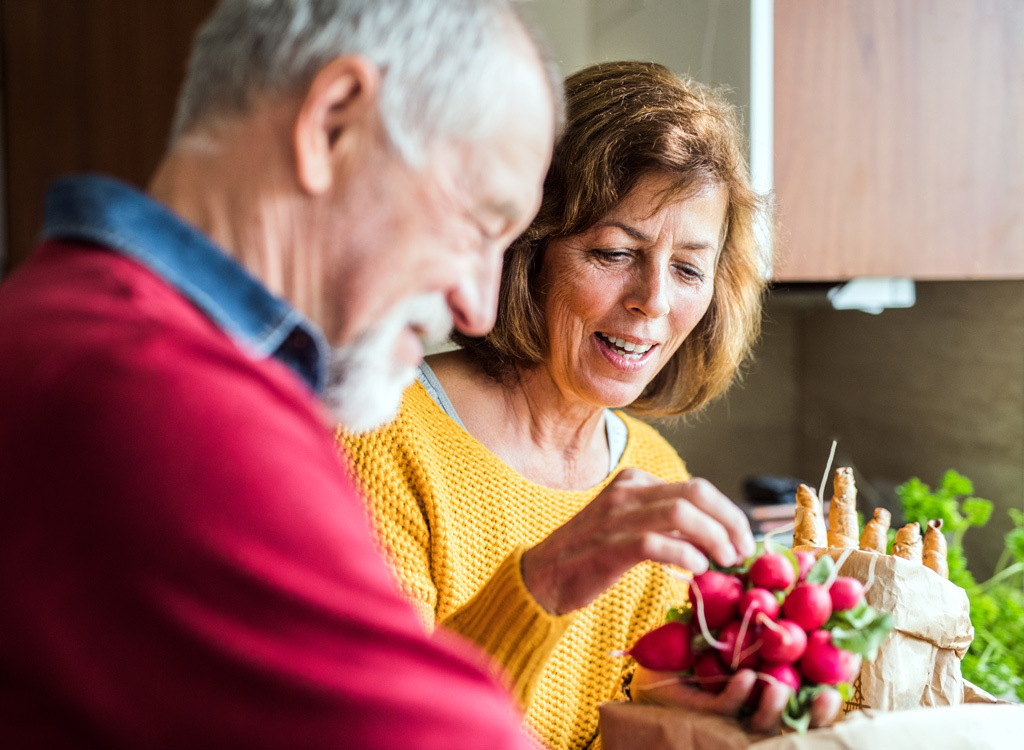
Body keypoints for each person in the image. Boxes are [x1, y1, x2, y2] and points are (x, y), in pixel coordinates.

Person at [0, 1, 561, 747]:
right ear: (332, 123)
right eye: (481, 225)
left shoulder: (68, 320)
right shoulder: (161, 394)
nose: (479, 307)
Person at [339, 61, 841, 750]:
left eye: (689, 269)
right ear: (526, 251)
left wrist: (701, 711)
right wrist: (542, 584)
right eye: (612, 252)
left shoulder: (654, 472)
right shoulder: (378, 435)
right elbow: (380, 730)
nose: (654, 302)